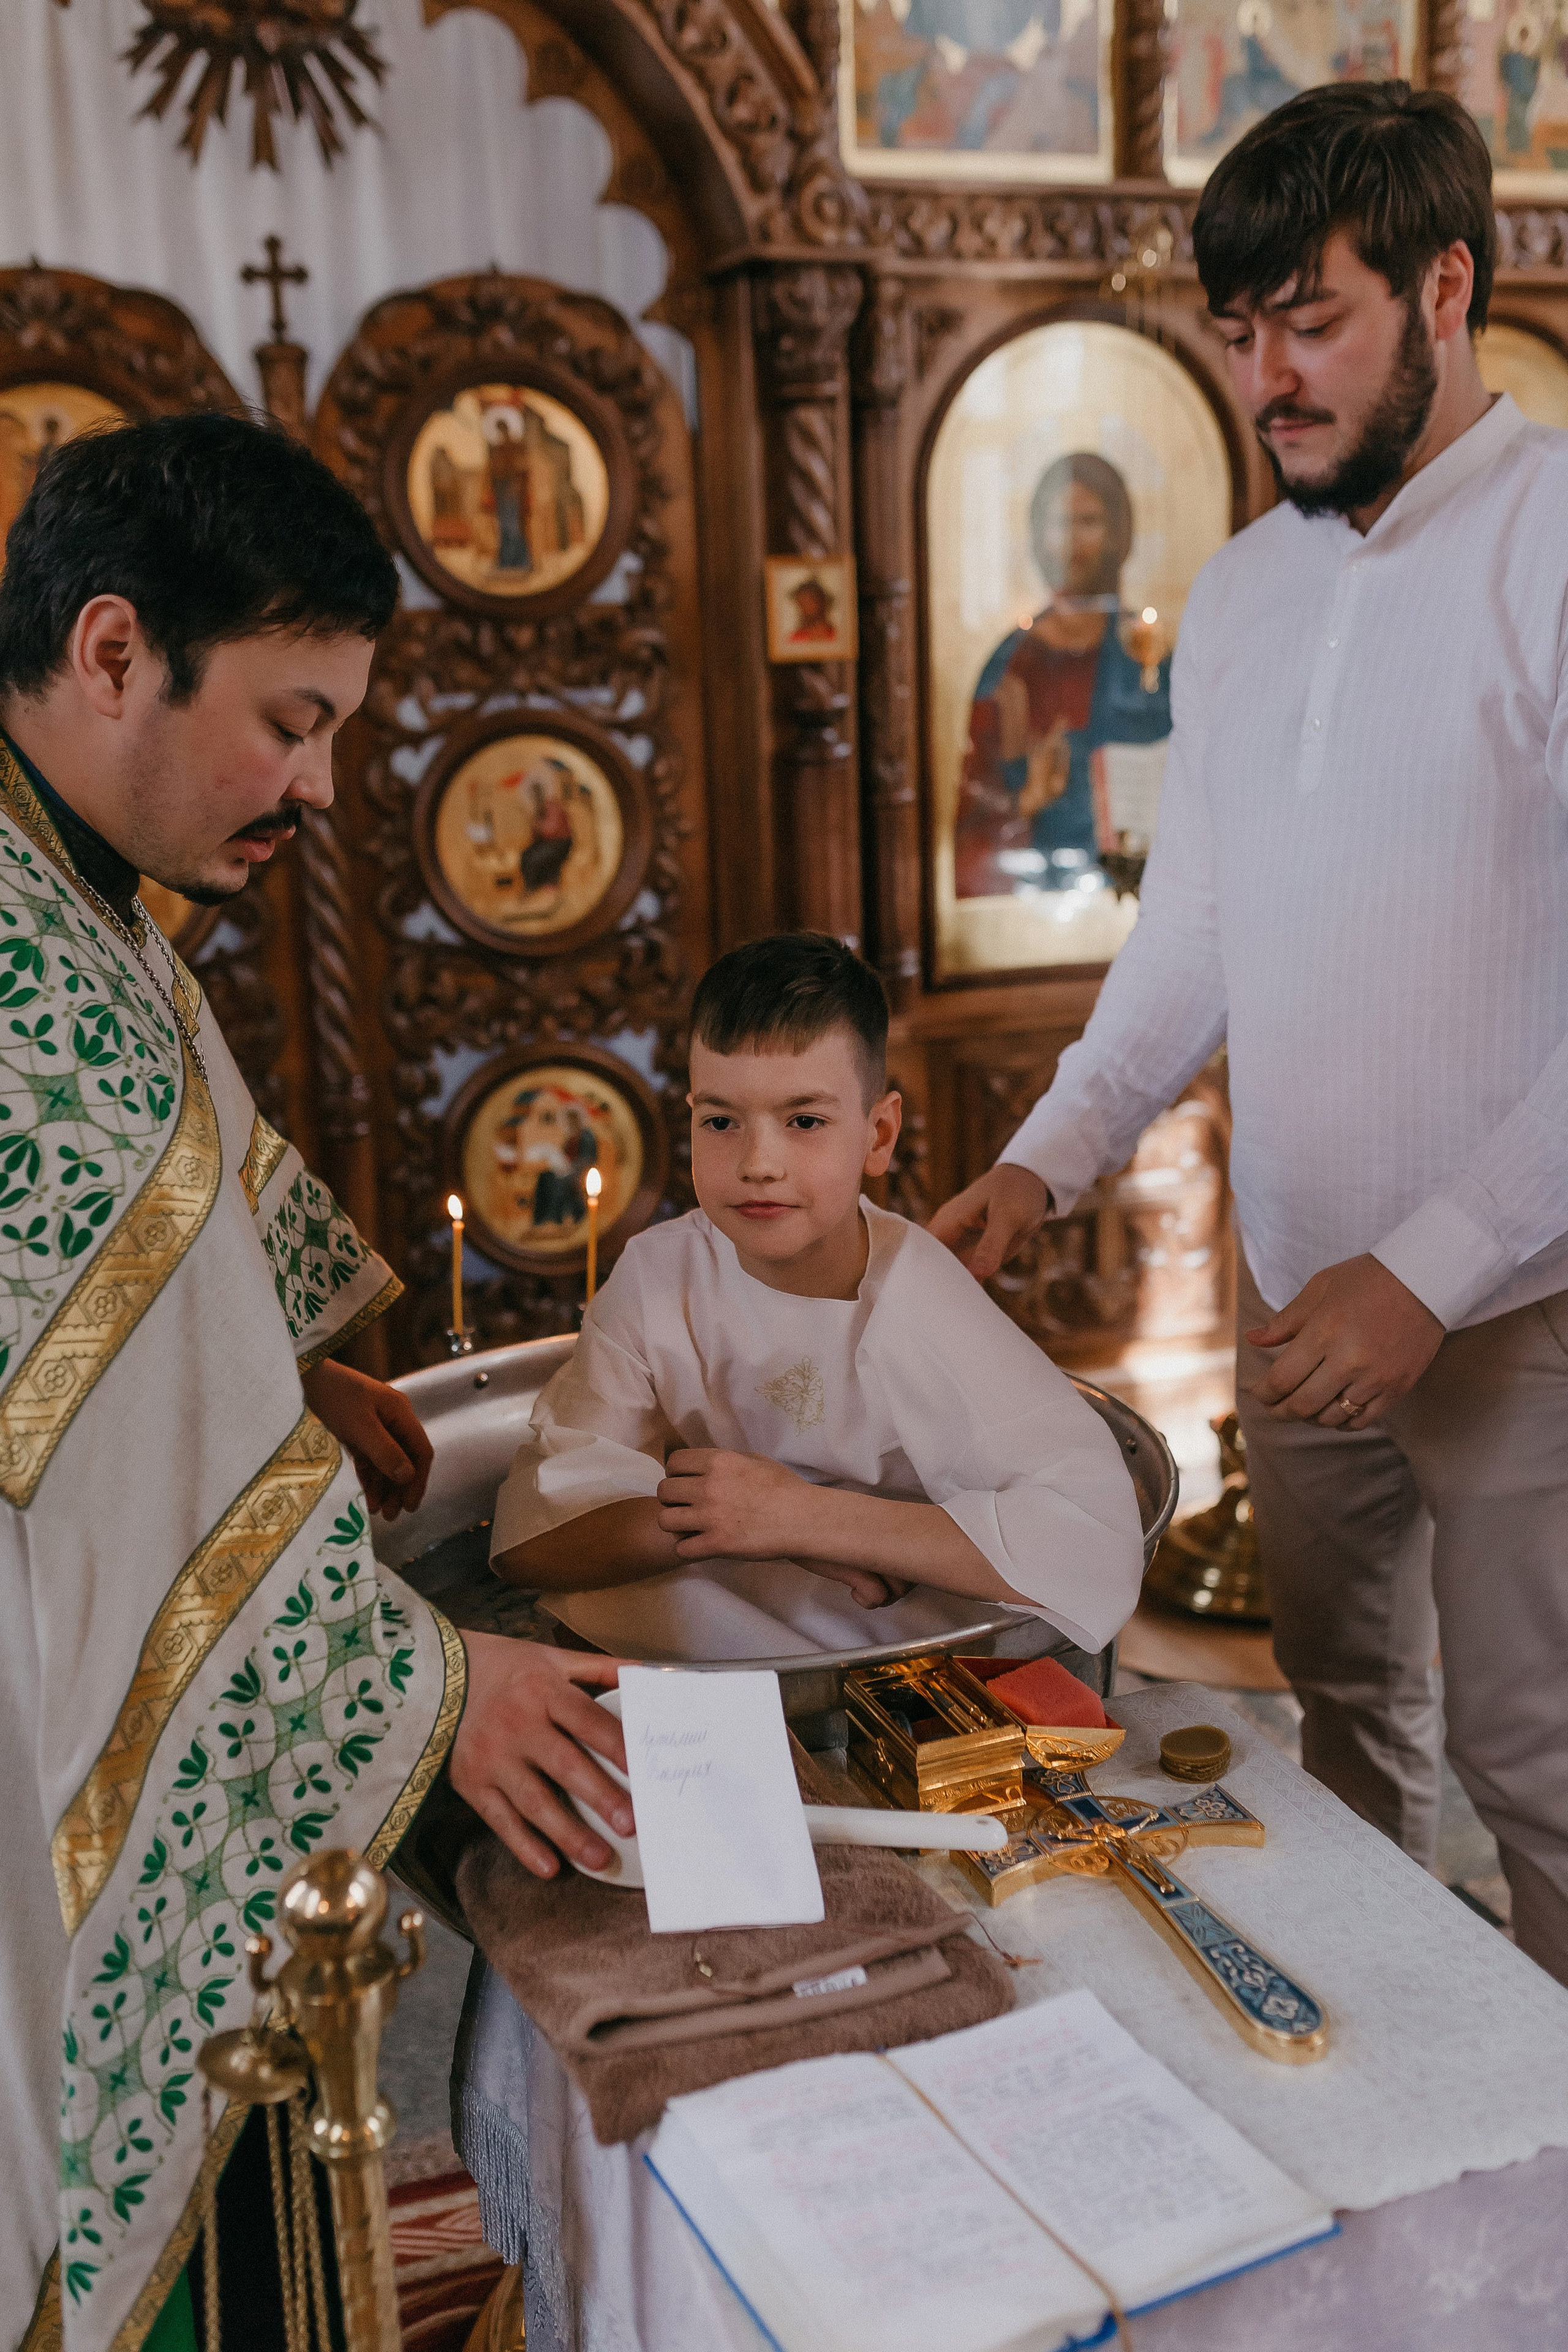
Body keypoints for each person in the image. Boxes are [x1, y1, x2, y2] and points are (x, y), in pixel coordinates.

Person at [0, 412, 634, 2352]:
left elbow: (159, 1221)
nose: (320, 783)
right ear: (113, 652)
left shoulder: (76, 880)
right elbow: (102, 1462)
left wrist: (292, 1356)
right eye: (289, 720)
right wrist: (430, 1680)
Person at [930, 81, 1568, 1988]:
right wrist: (1039, 1162)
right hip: (1296, 1292)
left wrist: (1432, 1273)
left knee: (1537, 1765)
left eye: (1314, 322)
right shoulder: (1235, 592)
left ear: (1443, 286)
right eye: (1239, 332)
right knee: (1344, 1722)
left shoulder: (1549, 545)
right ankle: (1401, 2129)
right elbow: (1188, 943)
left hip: (1517, 1308)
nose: (1266, 378)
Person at [491, 930, 1144, 1671]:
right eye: (721, 1121)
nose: (757, 1164)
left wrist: (810, 1518)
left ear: (879, 1134)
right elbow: (527, 1542)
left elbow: (1099, 1543)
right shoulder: (659, 1274)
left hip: (900, 1634)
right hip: (721, 1609)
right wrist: (736, 1522)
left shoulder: (921, 1295)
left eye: (804, 1121)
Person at [954, 452, 1170, 902]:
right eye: (1059, 524)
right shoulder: (1010, 669)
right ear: (1037, 538)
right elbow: (971, 832)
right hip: (1039, 898)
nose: (1073, 542)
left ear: (1120, 534)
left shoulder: (1151, 656)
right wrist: (1027, 802)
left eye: (1089, 521)